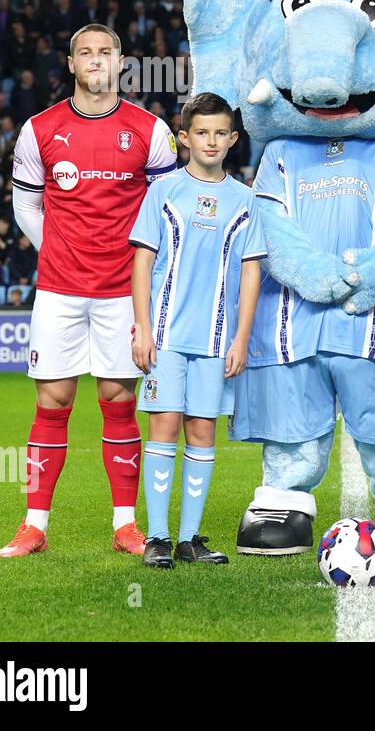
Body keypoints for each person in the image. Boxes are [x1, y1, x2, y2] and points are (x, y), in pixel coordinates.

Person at [0, 24, 177, 559]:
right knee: (52, 400)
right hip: (59, 289)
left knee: (118, 399)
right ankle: (34, 526)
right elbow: (25, 204)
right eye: (85, 53)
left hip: (125, 291)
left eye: (105, 52)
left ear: (121, 62)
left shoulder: (151, 131)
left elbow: (167, 209)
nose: (96, 60)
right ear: (71, 63)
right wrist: (56, 247)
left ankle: (125, 525)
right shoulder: (39, 129)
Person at [129, 93, 266, 569]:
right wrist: (142, 329)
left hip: (216, 340)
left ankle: (190, 539)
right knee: (164, 428)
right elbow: (142, 262)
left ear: (233, 139)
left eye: (219, 133)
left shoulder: (245, 200)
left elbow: (251, 273)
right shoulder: (164, 191)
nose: (211, 141)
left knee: (203, 431)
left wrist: (242, 338)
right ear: (184, 138)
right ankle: (158, 539)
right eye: (200, 133)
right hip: (165, 338)